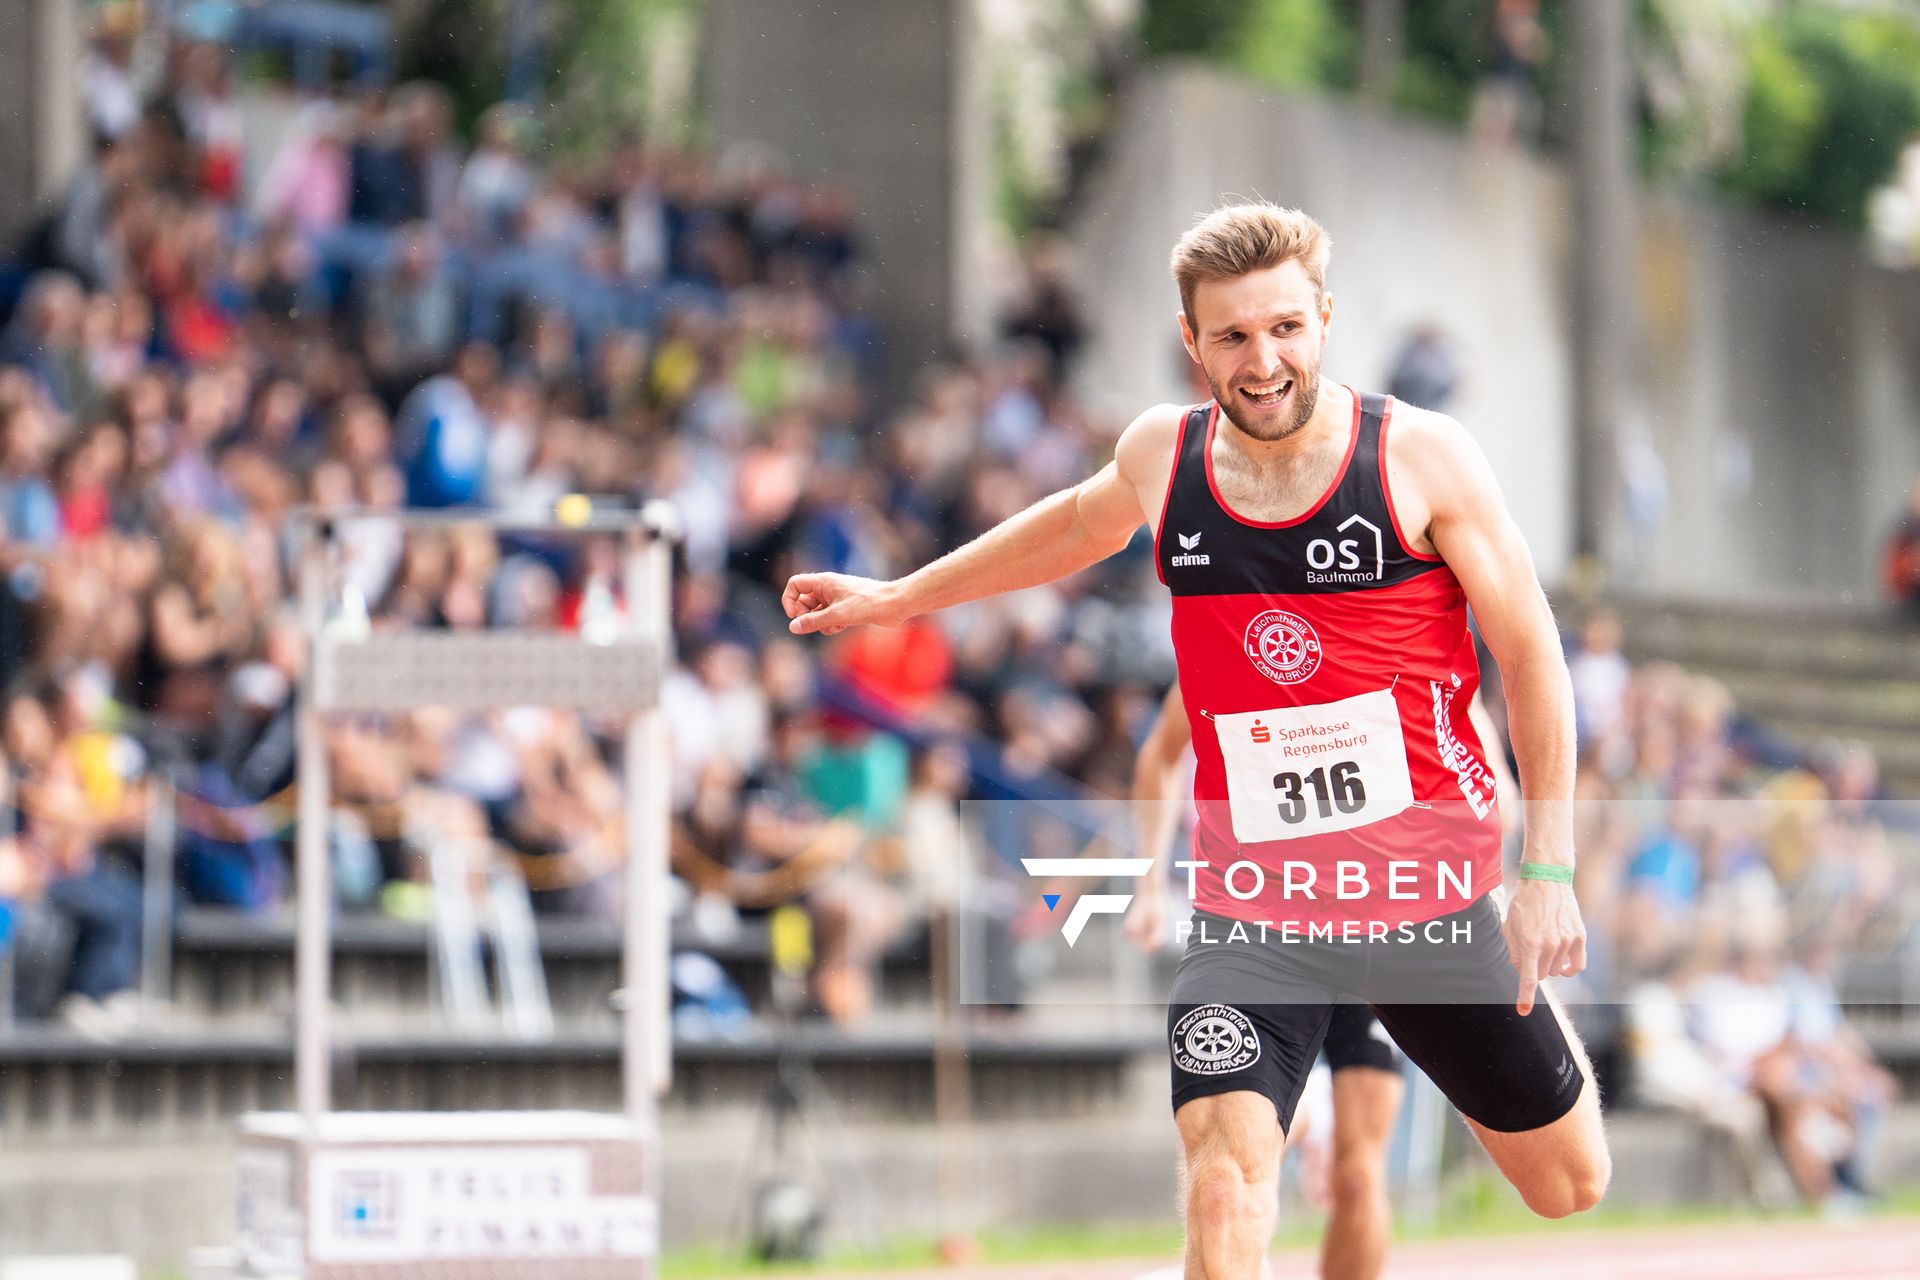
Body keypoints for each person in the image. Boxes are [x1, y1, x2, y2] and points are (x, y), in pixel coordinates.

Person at [783, 202, 1609, 1275]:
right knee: (1223, 1189)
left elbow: (1536, 659)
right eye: (1231, 336)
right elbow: (1071, 526)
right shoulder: (1161, 456)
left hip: (1424, 894)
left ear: (1321, 319)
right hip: (1255, 903)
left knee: (1567, 1182)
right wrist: (898, 595)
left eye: (1283, 330)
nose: (1261, 361)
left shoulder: (1422, 458)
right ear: (1192, 342)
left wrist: (1546, 867)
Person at [1129, 682, 1403, 1280]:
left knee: (1357, 1174)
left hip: (1370, 926)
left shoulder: (1389, 636)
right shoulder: (1223, 635)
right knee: (1232, 1174)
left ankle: (1317, 1114)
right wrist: (1149, 884)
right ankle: (1303, 1125)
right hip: (1258, 931)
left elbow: (1497, 796)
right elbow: (1159, 754)